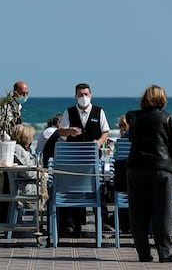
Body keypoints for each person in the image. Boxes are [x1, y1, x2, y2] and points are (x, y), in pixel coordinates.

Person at [125, 85, 172, 263]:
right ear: (162, 99)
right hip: (162, 169)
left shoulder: (134, 118)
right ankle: (164, 253)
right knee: (162, 212)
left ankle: (143, 252)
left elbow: (131, 138)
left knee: (138, 212)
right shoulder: (169, 119)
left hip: (136, 168)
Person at [58, 83, 110, 237]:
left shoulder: (99, 111)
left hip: (94, 159)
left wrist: (98, 144)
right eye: (80, 95)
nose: (83, 97)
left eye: (86, 94)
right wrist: (70, 131)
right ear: (76, 96)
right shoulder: (69, 111)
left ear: (91, 95)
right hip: (74, 159)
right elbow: (61, 131)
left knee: (99, 188)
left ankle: (104, 223)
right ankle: (73, 224)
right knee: (73, 190)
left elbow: (105, 131)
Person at [0, 81, 29, 223]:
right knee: (9, 185)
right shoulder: (6, 108)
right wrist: (8, 139)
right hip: (8, 151)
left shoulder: (18, 107)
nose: (25, 96)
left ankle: (8, 217)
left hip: (15, 150)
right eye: (22, 93)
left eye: (26, 93)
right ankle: (3, 218)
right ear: (14, 93)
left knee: (11, 186)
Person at [11, 124, 38, 211]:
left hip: (27, 184)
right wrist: (44, 175)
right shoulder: (19, 150)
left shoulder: (21, 149)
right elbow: (29, 172)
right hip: (26, 188)